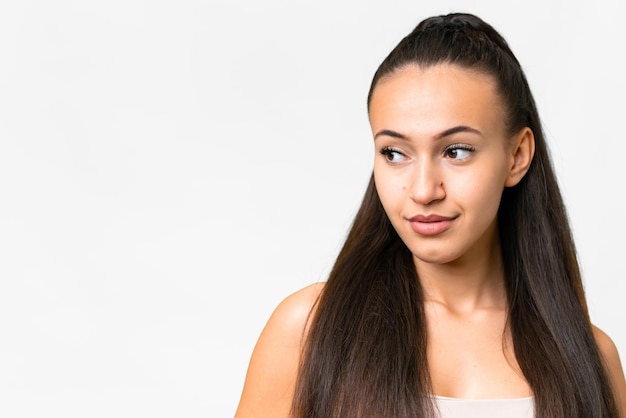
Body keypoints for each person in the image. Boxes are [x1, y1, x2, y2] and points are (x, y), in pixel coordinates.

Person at [234, 12, 626, 418]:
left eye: (456, 151)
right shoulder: (308, 330)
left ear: (517, 156)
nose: (423, 190)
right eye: (394, 153)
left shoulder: (591, 360)